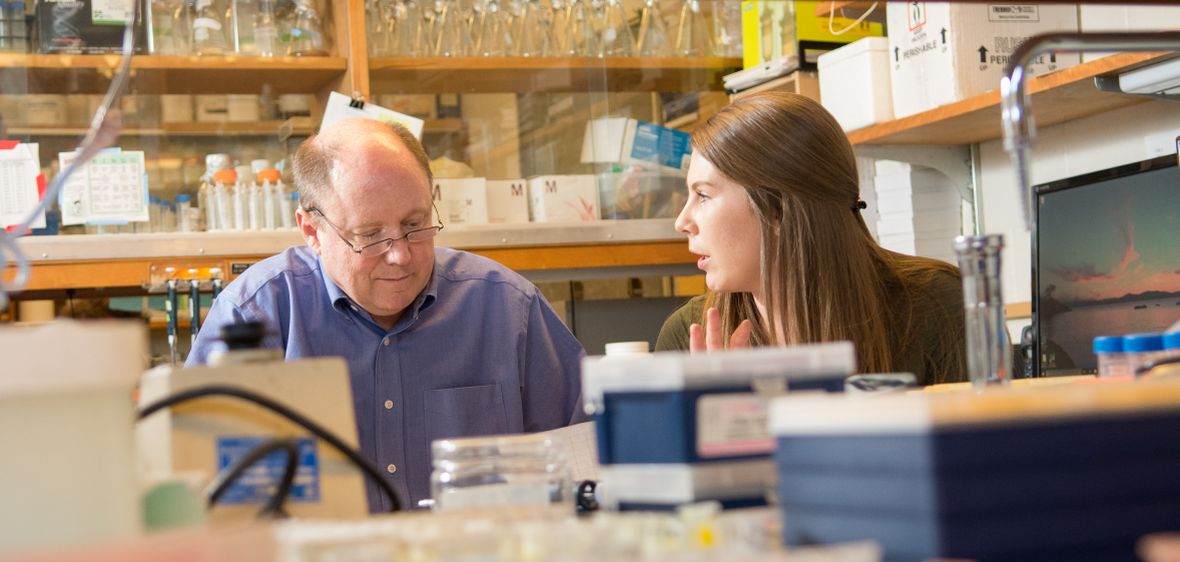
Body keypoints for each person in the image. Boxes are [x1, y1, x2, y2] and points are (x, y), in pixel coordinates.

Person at [187, 119, 587, 510]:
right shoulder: (255, 315)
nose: (400, 255)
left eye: (415, 225)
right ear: (311, 231)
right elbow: (196, 497)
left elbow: (586, 462)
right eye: (370, 235)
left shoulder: (505, 308)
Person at [655, 92, 966, 386]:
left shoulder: (939, 308)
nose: (683, 222)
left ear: (777, 208)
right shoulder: (689, 336)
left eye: (703, 195)